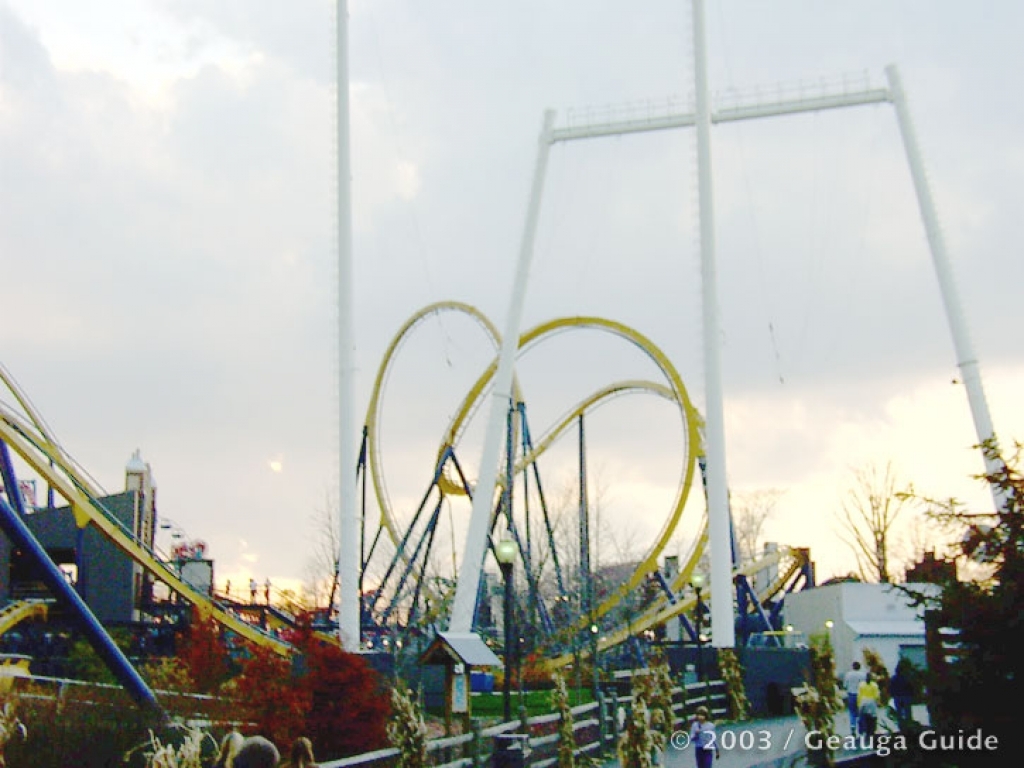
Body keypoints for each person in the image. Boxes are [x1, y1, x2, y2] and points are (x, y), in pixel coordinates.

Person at [842, 661, 867, 733]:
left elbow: (845, 685)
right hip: (861, 695)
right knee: (861, 712)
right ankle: (861, 727)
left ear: (852, 667)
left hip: (851, 695)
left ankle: (853, 726)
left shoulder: (848, 674)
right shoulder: (863, 675)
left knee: (852, 712)